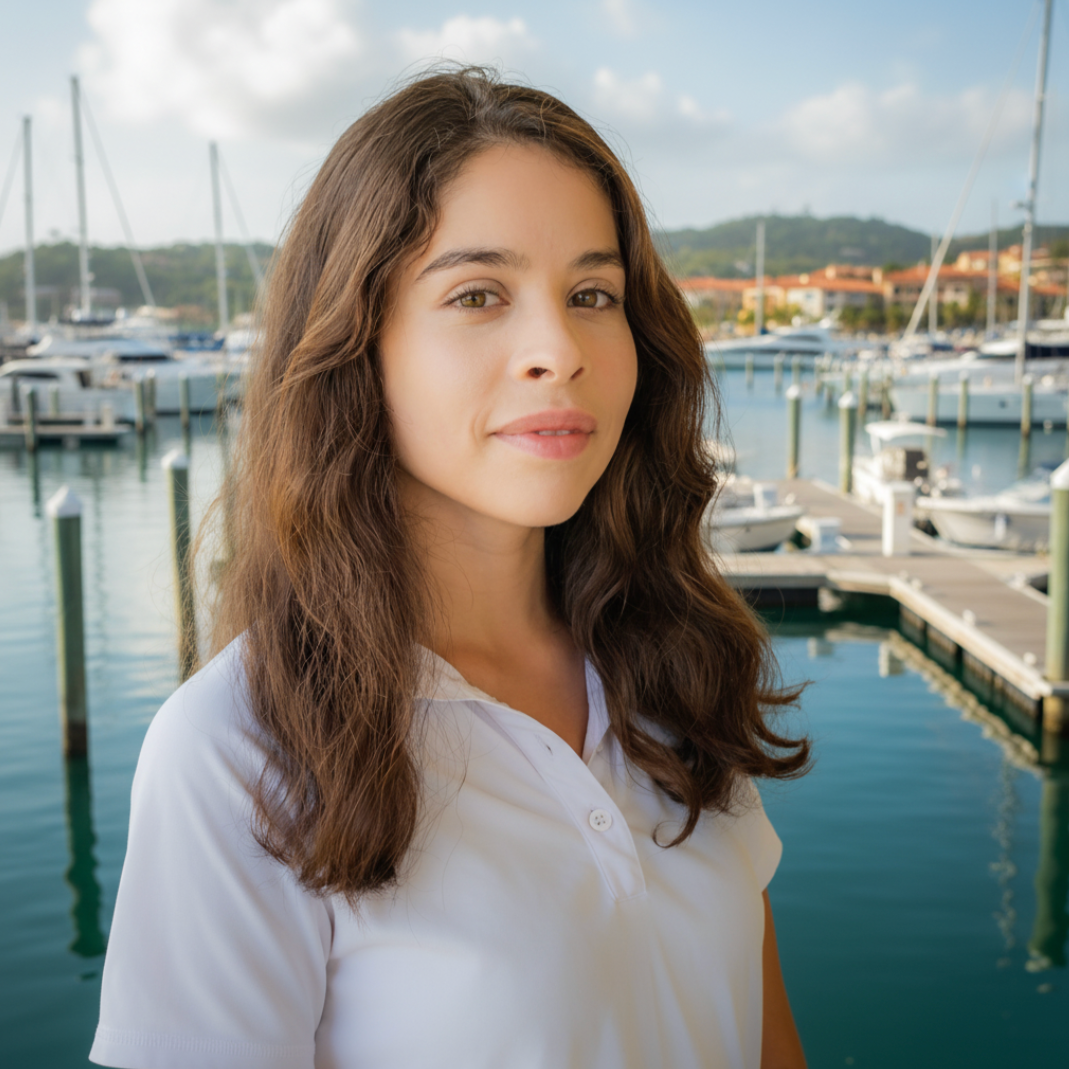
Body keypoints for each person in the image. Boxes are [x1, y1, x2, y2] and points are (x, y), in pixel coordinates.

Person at [90, 67, 810, 1069]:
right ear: (357, 343)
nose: (557, 348)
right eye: (477, 294)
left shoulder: (677, 668)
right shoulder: (236, 751)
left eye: (592, 293)